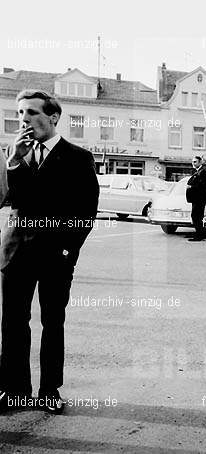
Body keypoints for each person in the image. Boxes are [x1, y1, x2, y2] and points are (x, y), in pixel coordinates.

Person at [0, 90, 99, 414]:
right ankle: (15, 389)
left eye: (31, 112)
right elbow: (12, 200)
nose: (24, 120)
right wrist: (13, 162)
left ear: (53, 117)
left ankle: (49, 390)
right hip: (16, 252)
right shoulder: (16, 155)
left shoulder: (78, 157)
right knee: (14, 322)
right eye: (20, 114)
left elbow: (86, 212)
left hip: (56, 255)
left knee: (53, 322)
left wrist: (68, 251)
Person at [186, 156, 206, 242]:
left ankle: (199, 235)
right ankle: (200, 234)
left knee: (197, 216)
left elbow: (202, 186)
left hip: (199, 199)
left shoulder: (203, 172)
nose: (193, 163)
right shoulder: (198, 171)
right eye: (192, 162)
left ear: (200, 162)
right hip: (196, 198)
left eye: (195, 162)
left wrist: (191, 186)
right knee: (196, 216)